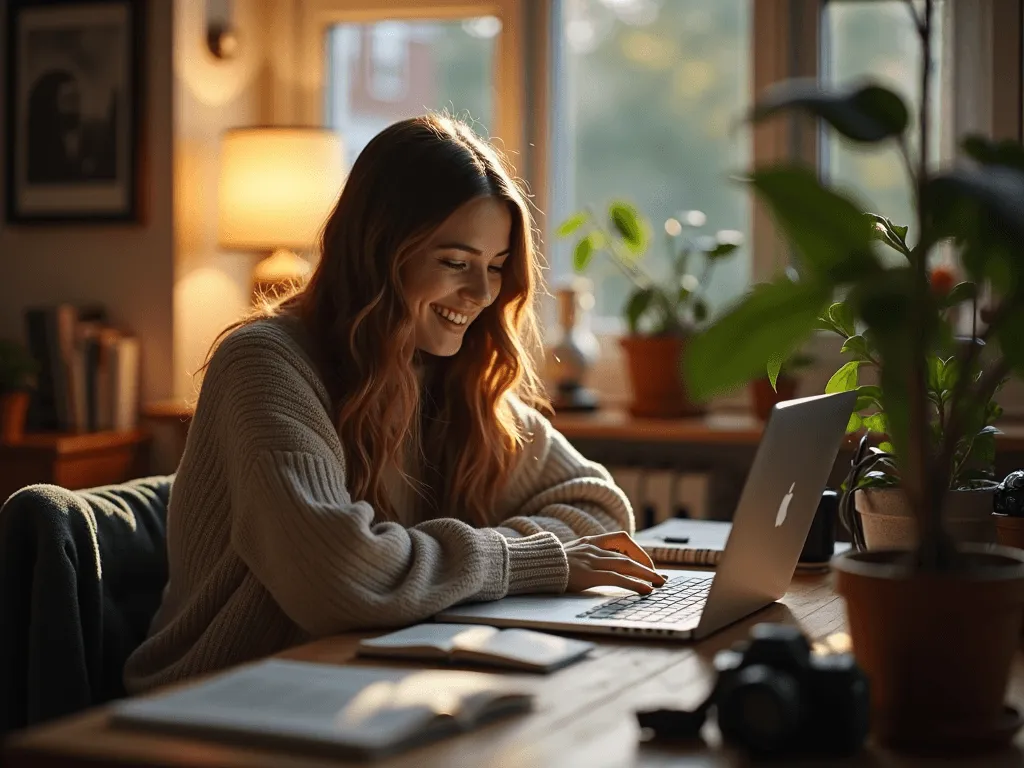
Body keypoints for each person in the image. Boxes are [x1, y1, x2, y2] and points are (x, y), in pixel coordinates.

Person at [123, 114, 664, 694]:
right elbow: (339, 578)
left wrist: (435, 565)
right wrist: (524, 560)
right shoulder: (264, 364)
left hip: (370, 681)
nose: (483, 294)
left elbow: (600, 512)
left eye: (496, 267)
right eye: (456, 263)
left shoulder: (445, 371)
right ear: (379, 250)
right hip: (220, 702)